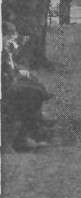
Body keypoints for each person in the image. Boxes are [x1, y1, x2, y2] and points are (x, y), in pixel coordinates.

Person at [2, 21, 52, 151]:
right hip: (5, 89)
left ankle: (32, 128)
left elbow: (10, 66)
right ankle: (20, 139)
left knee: (34, 85)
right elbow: (6, 76)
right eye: (9, 37)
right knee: (32, 92)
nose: (12, 40)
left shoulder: (6, 49)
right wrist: (16, 75)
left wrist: (18, 71)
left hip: (8, 84)